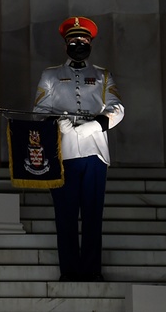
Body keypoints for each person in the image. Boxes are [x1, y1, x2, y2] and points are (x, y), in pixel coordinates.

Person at [34, 16, 124, 282]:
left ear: (90, 43)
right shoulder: (50, 75)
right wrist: (57, 122)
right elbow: (39, 110)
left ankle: (92, 270)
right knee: (65, 215)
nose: (78, 43)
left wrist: (90, 127)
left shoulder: (102, 75)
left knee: (93, 215)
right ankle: (70, 270)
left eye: (83, 39)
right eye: (73, 39)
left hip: (95, 151)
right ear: (65, 45)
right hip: (63, 153)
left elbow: (118, 109)